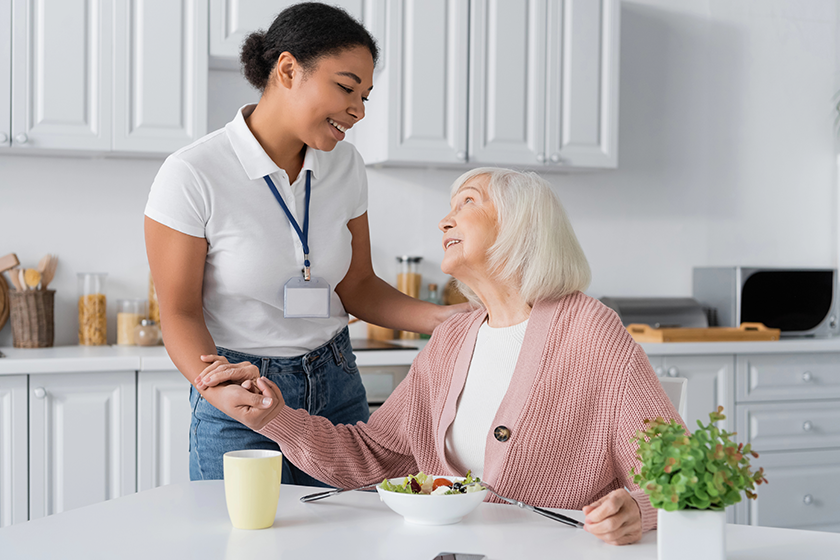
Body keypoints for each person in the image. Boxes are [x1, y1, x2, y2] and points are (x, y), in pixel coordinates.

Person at [197, 167, 684, 546]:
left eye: (467, 203)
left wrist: (640, 511)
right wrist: (275, 416)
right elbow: (376, 455)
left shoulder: (589, 329)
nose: (444, 220)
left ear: (521, 222)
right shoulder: (454, 337)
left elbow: (678, 473)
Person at [144, 3, 466, 486]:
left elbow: (357, 285)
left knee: (351, 542)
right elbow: (180, 313)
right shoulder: (193, 173)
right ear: (289, 70)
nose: (358, 111)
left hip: (337, 383)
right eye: (346, 87)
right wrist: (216, 388)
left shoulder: (346, 166)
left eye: (366, 96)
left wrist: (445, 320)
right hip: (244, 392)